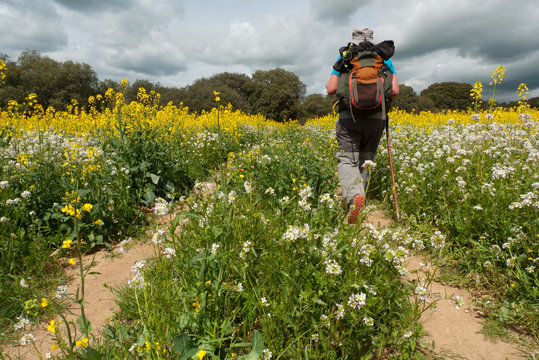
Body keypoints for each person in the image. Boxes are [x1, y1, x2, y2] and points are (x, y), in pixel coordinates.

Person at [326, 27, 399, 224]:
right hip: (377, 118)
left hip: (349, 118)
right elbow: (394, 91)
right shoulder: (383, 58)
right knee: (366, 159)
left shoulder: (347, 57)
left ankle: (353, 199)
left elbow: (331, 89)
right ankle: (360, 197)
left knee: (347, 160)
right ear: (372, 39)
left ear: (354, 39)